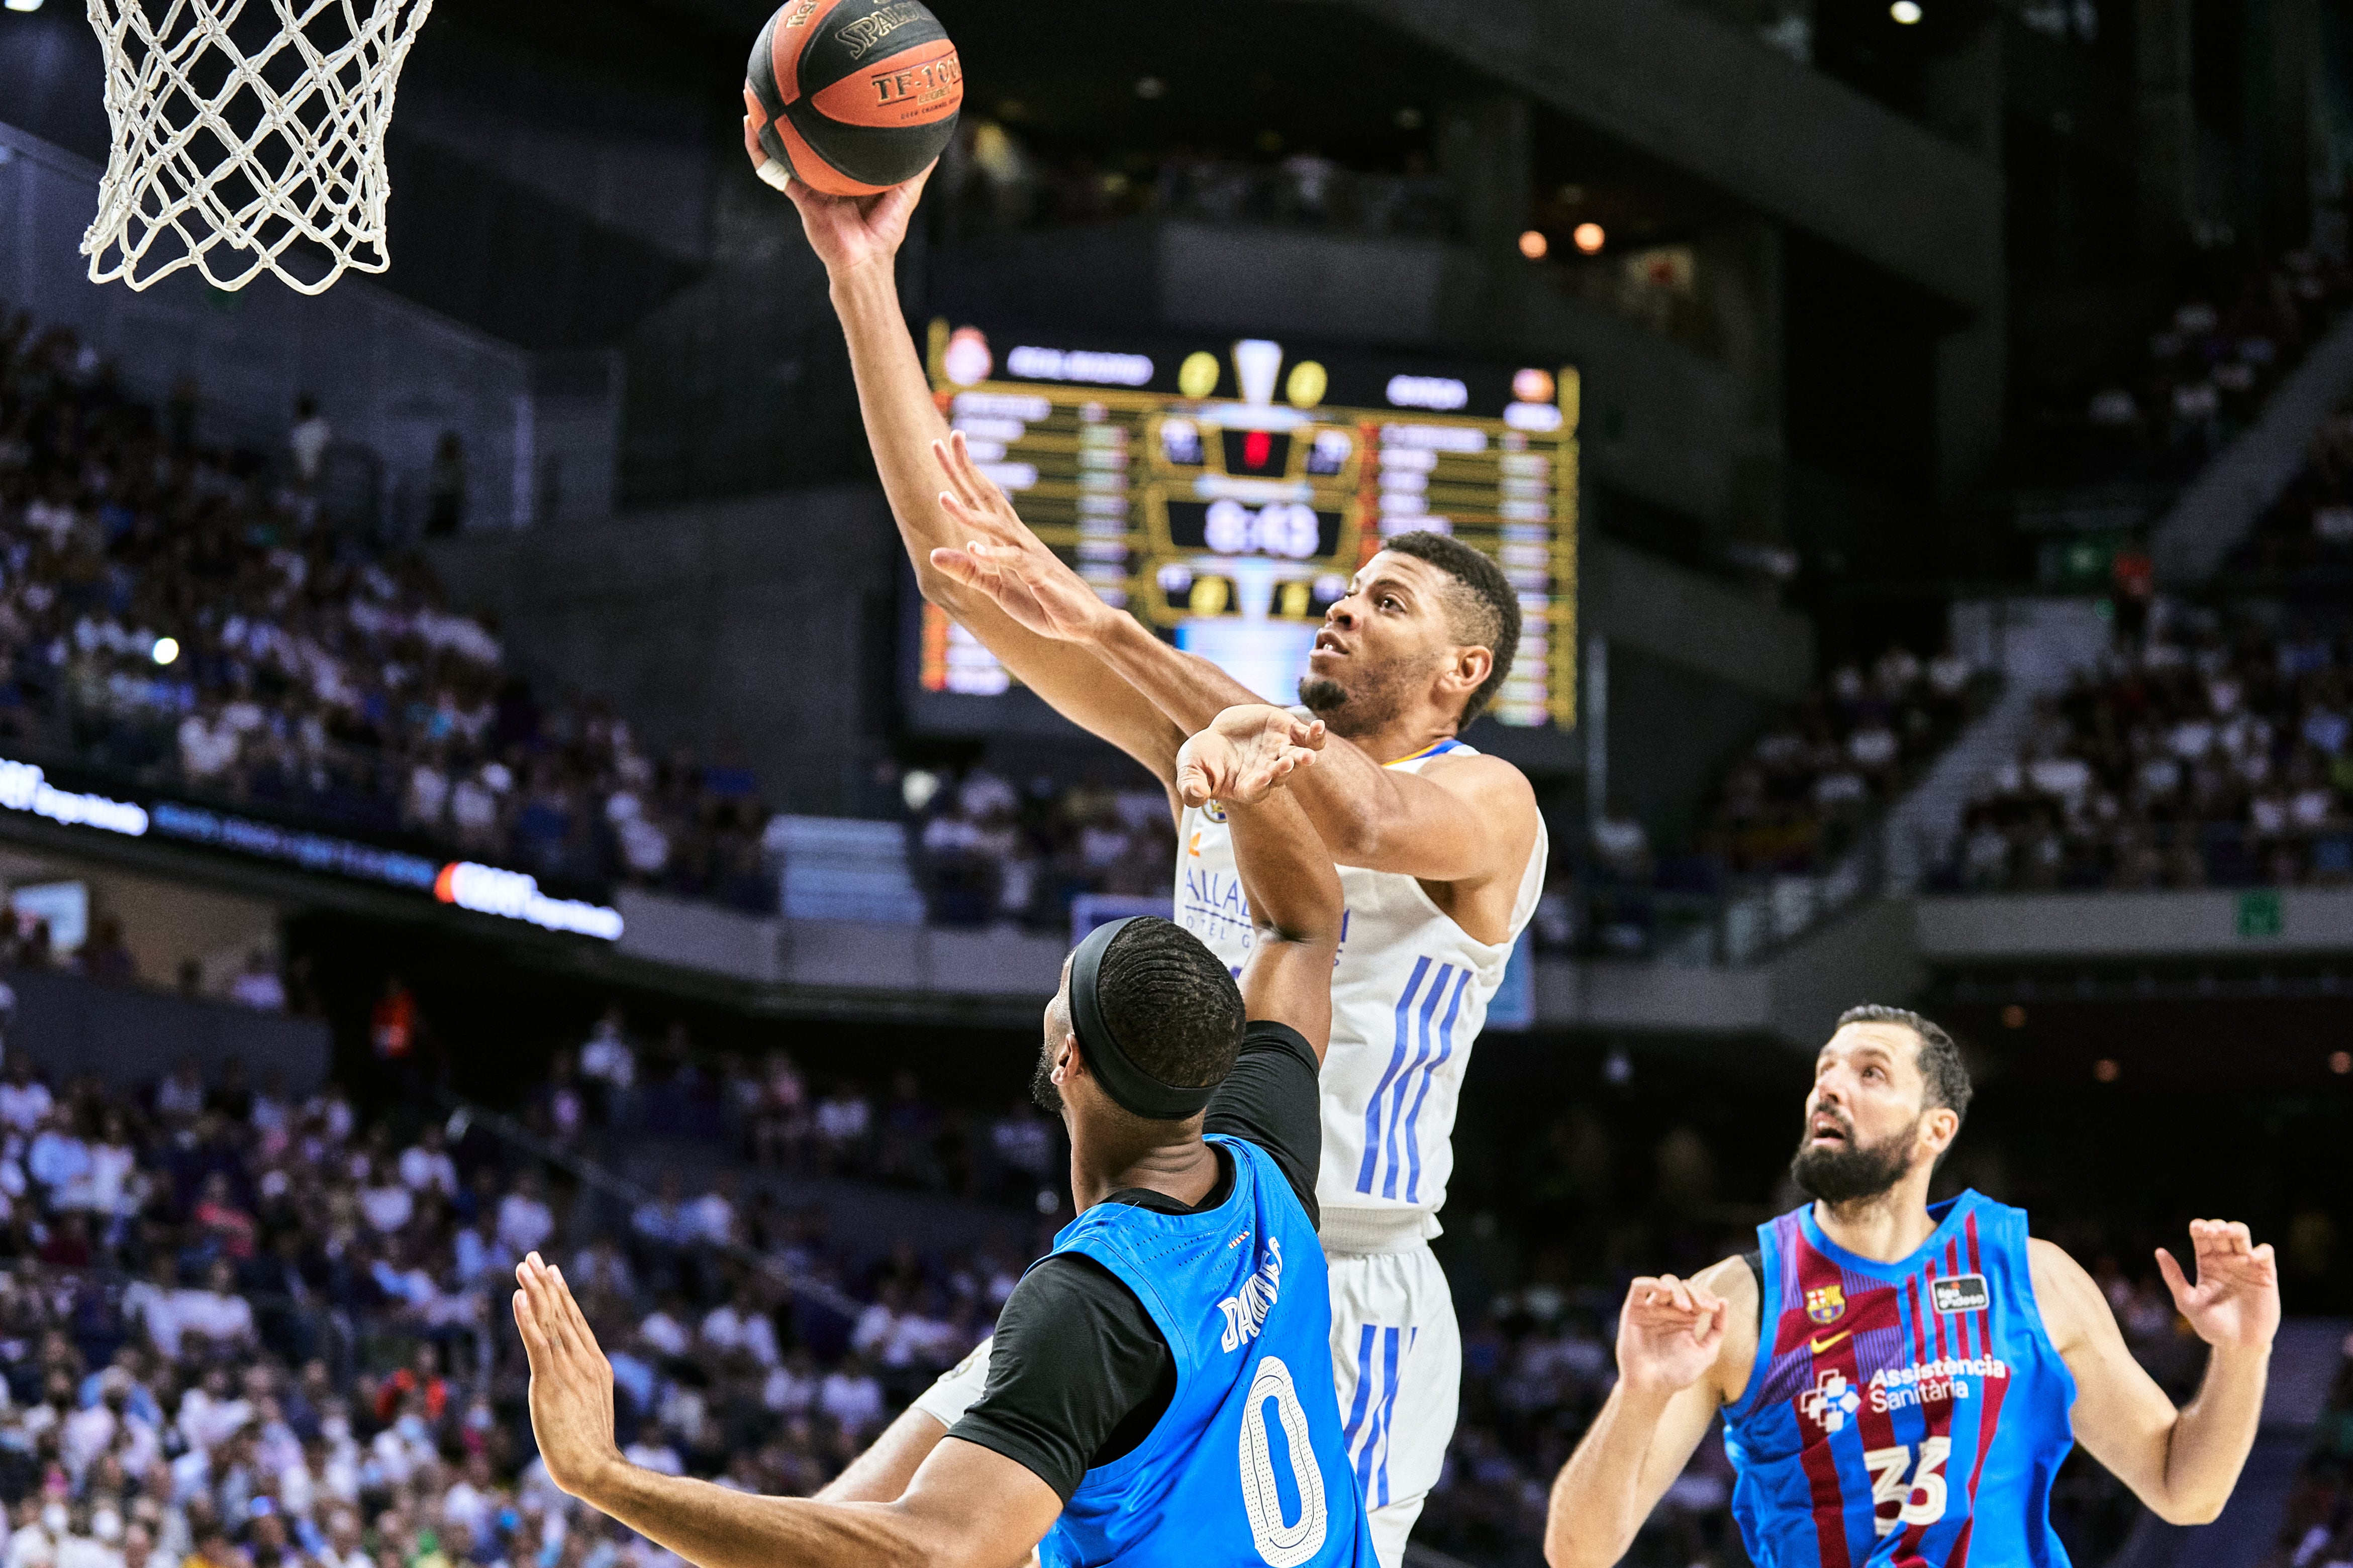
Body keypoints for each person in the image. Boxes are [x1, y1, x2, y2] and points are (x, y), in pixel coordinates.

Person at [785, 163, 1548, 1567]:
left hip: (1330, 1284)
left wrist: (1106, 623)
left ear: (1463, 669)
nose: (1341, 601)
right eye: (1346, 581)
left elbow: (1365, 821)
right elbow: (955, 563)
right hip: (1151, 1246)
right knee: (854, 1533)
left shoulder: (1488, 803)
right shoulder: (1225, 743)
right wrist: (859, 274)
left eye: (1386, 600)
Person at [512, 703, 1373, 1567]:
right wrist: (1252, 793)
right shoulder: (1266, 1153)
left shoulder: (1092, 1303)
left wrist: (603, 1473)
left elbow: (927, 1554)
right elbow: (1301, 928)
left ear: (1068, 1056)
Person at [1541, 1004, 2280, 1568]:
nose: (1829, 1087)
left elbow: (2185, 1489)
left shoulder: (2031, 1276)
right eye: (1823, 1070)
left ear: (1935, 1130)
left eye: (1869, 1072)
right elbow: (1576, 1554)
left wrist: (2243, 1352)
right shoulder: (1739, 1300)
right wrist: (1635, 1394)